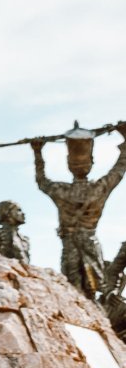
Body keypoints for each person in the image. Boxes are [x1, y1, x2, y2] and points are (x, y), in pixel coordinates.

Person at [32, 122, 126, 299]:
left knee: (73, 291)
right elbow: (119, 170)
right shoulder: (100, 188)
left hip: (70, 245)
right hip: (90, 244)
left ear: (69, 164)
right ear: (91, 163)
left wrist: (37, 152)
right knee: (94, 289)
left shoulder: (61, 191)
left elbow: (41, 181)